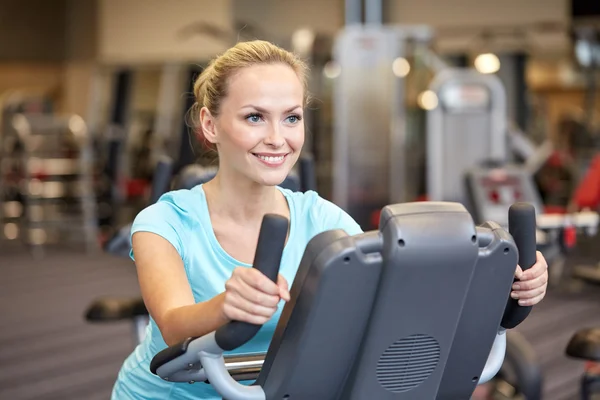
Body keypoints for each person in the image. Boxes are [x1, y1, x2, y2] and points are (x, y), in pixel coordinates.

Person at [111, 40, 550, 400]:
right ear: (210, 124)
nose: (277, 139)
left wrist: (504, 288)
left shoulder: (323, 220)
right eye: (254, 117)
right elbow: (173, 323)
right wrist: (225, 307)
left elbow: (395, 301)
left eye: (292, 118)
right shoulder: (163, 221)